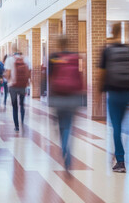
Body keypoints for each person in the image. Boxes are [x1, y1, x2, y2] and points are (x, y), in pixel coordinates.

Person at [99, 22, 129, 173]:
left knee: (116, 127)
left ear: (111, 31)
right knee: (123, 125)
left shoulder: (108, 51)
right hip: (127, 93)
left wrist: (98, 92)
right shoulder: (126, 50)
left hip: (114, 93)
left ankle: (120, 160)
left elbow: (101, 73)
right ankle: (120, 151)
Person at [48, 36, 83, 171]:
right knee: (68, 126)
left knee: (60, 126)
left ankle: (64, 148)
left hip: (58, 97)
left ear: (58, 44)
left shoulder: (53, 57)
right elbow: (80, 77)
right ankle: (68, 150)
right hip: (72, 98)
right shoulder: (75, 57)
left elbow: (50, 78)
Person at [5, 48, 30, 131]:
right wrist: (28, 82)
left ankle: (16, 126)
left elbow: (8, 73)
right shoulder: (26, 59)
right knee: (22, 105)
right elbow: (29, 72)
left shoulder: (9, 59)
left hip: (13, 86)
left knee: (14, 106)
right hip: (23, 85)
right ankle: (22, 122)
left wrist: (8, 80)